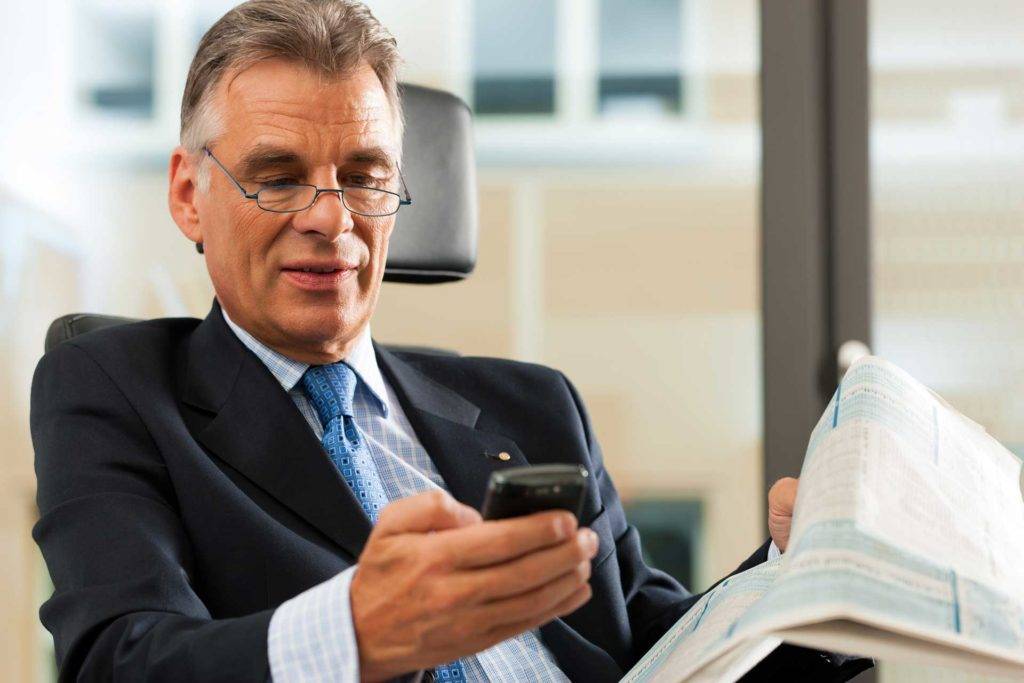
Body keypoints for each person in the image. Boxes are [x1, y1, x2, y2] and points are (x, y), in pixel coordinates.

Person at [30, 1, 871, 680]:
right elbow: (118, 658)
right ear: (188, 195)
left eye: (364, 175)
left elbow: (662, 648)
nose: (333, 218)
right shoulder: (115, 387)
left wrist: (807, 581)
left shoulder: (536, 405)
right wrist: (357, 633)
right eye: (280, 176)